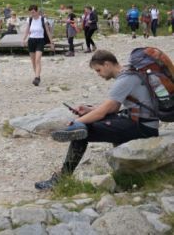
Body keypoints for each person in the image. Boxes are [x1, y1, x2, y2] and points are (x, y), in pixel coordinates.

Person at [35, 50, 159, 190]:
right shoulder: (129, 73)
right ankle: (121, 170)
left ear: (107, 64)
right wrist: (88, 111)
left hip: (142, 127)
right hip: (142, 122)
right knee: (85, 123)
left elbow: (102, 112)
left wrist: (77, 122)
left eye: (98, 70)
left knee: (81, 131)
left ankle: (61, 178)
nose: (98, 74)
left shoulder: (124, 80)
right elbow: (113, 107)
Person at [22, 5, 55, 86]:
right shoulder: (29, 19)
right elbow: (27, 30)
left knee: (37, 60)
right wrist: (24, 39)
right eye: (30, 12)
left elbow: (47, 31)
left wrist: (52, 43)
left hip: (40, 40)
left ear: (37, 11)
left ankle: (36, 78)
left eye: (33, 12)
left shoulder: (43, 19)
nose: (32, 14)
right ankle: (37, 76)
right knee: (33, 61)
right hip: (31, 41)